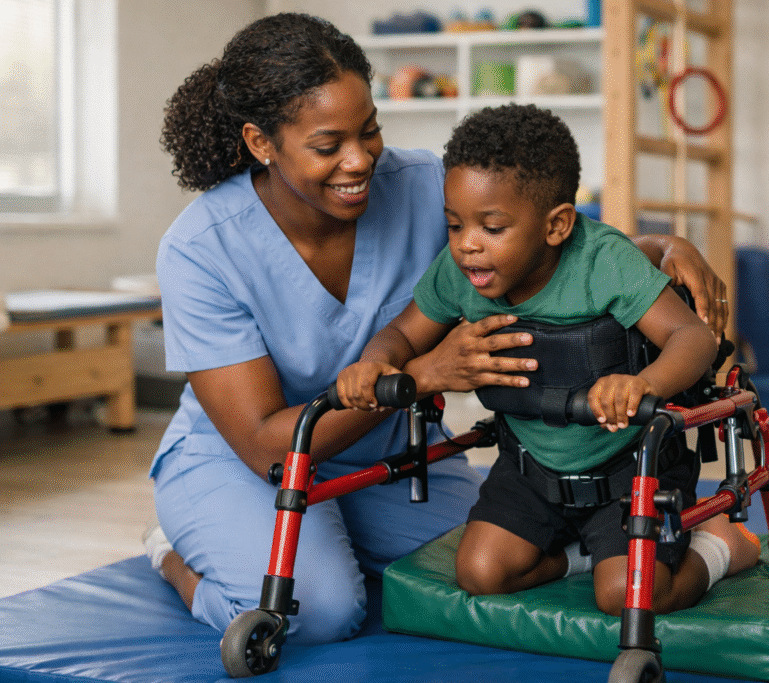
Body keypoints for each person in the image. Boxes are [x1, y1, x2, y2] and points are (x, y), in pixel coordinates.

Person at [144, 13, 731, 645]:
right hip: (248, 462)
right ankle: (174, 559)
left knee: (462, 571)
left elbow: (554, 242)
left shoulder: (424, 183)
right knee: (317, 610)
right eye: (327, 145)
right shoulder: (200, 250)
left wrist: (663, 246)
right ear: (262, 143)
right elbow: (265, 446)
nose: (359, 159)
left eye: (369, 130)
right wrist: (426, 373)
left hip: (383, 450)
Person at [334, 104, 761, 617]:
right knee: (481, 574)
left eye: (491, 227)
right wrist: (375, 362)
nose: (467, 245)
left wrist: (643, 383)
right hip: (531, 470)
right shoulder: (459, 272)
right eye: (454, 225)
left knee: (630, 597)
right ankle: (584, 556)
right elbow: (402, 332)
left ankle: (720, 547)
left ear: (556, 225)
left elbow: (692, 338)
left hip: (630, 468)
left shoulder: (603, 262)